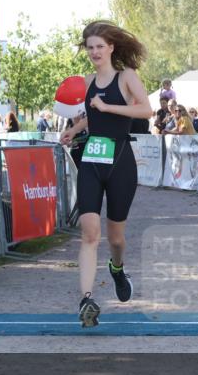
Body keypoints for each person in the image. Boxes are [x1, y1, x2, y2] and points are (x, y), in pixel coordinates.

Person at [58, 21, 152, 328]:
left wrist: (109, 107)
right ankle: (86, 300)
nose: (95, 52)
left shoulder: (127, 77)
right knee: (89, 233)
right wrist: (74, 129)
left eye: (100, 46)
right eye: (90, 47)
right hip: (92, 161)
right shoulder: (86, 82)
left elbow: (146, 110)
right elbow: (91, 114)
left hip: (121, 163)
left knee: (116, 238)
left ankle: (117, 267)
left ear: (111, 48)